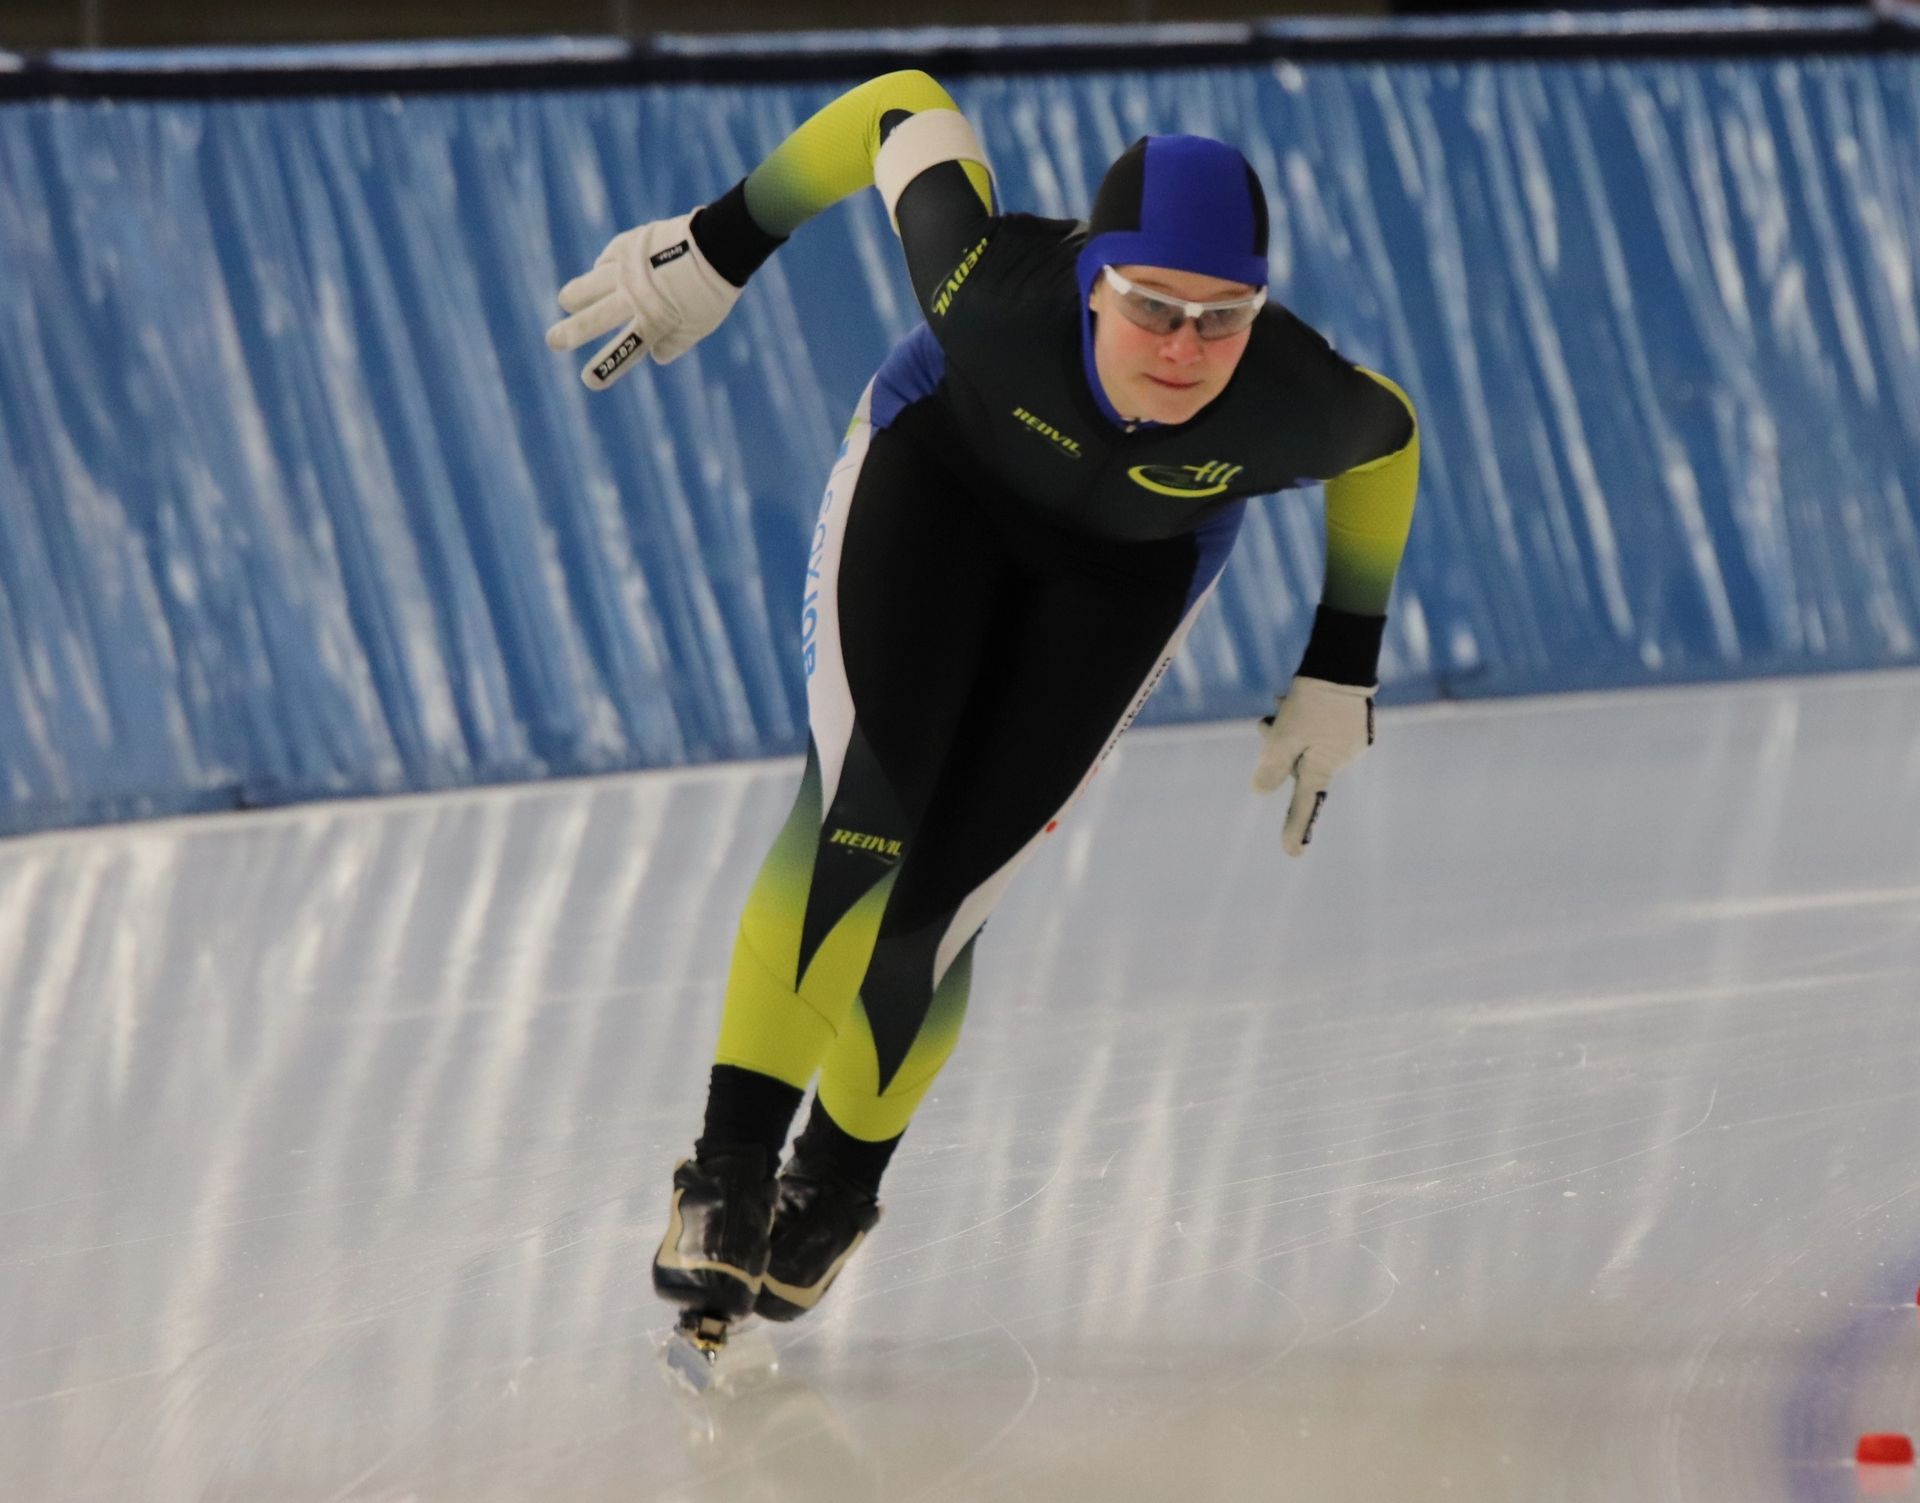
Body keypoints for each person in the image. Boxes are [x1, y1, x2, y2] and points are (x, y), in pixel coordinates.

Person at [546, 70, 1419, 1352]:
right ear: (1093, 282)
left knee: (936, 911)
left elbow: (1391, 446)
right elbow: (900, 105)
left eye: (1222, 318)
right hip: (938, 484)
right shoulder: (990, 284)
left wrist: (1344, 660)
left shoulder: (1297, 399)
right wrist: (723, 243)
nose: (1184, 349)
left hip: (1126, 576)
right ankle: (726, 1176)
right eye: (1150, 306)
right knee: (861, 821)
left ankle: (836, 1188)